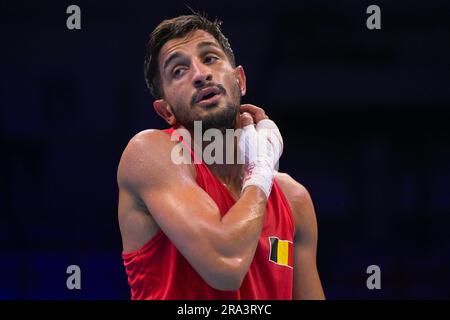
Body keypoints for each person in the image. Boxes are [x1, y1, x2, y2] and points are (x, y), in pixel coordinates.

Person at [117, 13, 325, 300]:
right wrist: (261, 167)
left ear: (240, 80)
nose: (200, 74)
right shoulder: (149, 153)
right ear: (166, 111)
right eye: (179, 71)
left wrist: (257, 172)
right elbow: (226, 266)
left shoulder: (294, 200)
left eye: (211, 58)